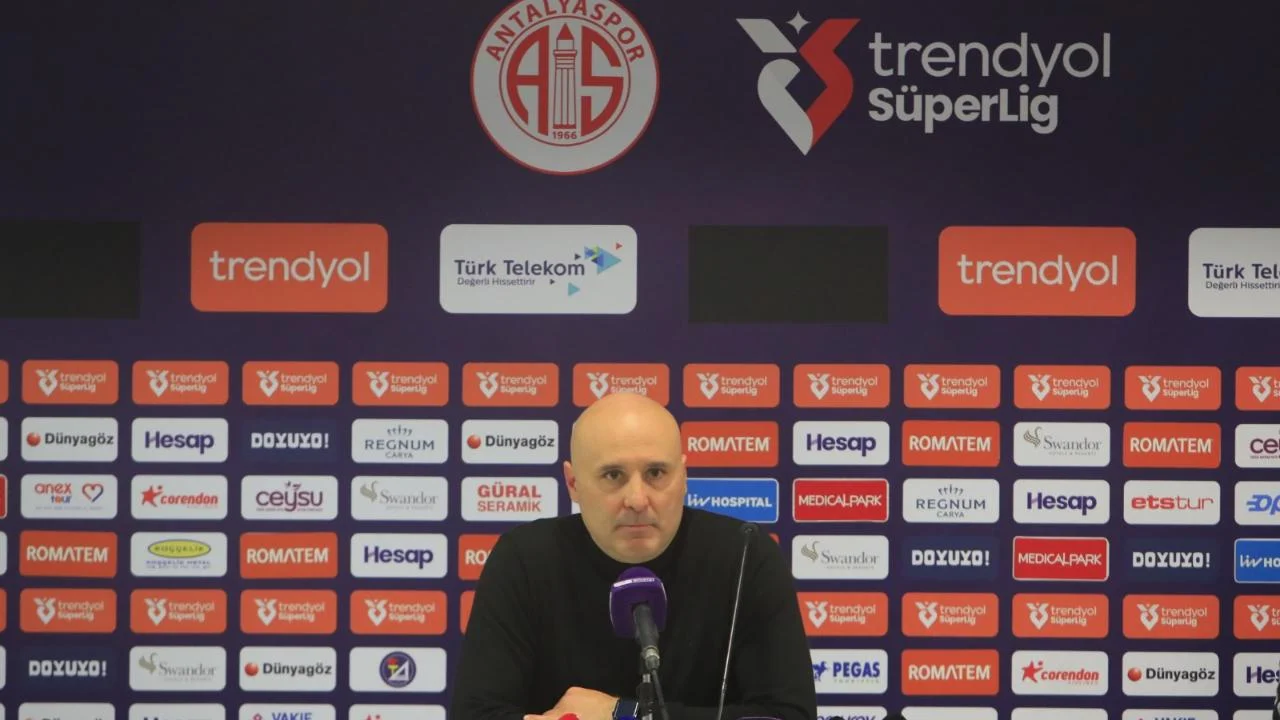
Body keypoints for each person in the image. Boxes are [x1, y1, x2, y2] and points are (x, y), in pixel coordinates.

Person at [450, 393, 817, 720]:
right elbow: (475, 714)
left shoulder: (745, 555)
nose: (638, 500)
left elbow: (788, 715)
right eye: (613, 475)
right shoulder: (523, 561)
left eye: (656, 473)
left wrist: (624, 715)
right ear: (573, 483)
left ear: (683, 476)